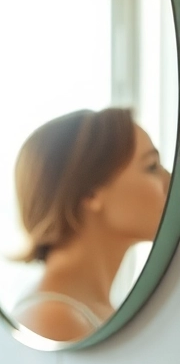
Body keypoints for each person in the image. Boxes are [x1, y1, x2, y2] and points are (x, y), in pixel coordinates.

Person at [11, 108, 171, 342]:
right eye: (151, 167)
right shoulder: (54, 319)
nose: (170, 179)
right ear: (91, 193)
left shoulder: (91, 312)